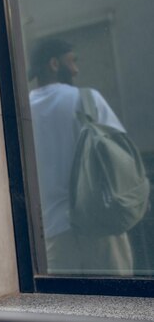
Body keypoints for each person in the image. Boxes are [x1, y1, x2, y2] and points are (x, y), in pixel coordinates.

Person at [28, 38, 133, 275]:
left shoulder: (25, 109)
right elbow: (121, 156)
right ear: (54, 64)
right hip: (100, 223)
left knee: (66, 306)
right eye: (72, 61)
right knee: (119, 304)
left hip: (53, 232)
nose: (76, 69)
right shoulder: (87, 99)